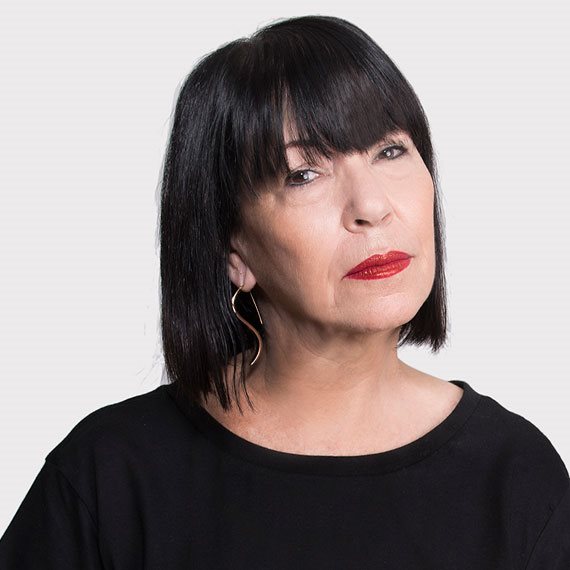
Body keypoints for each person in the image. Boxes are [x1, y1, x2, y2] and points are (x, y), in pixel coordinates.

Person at [1, 14, 568, 569]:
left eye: (390, 151)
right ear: (234, 250)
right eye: (303, 174)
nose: (372, 206)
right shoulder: (110, 477)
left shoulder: (516, 476)